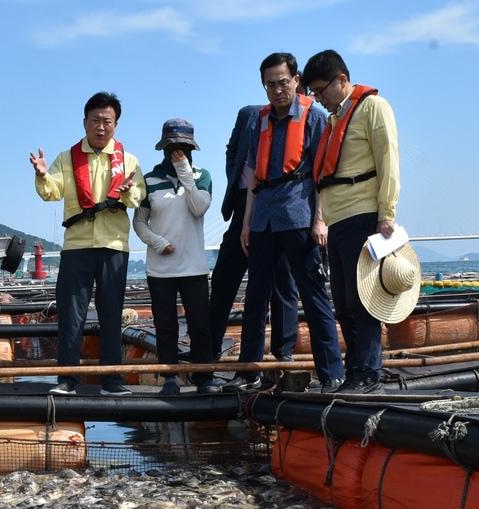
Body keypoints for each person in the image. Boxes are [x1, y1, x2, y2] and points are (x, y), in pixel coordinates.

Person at [229, 52, 344, 394]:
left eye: (282, 82)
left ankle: (331, 374)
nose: (277, 90)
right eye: (269, 84)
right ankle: (248, 372)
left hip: (298, 213)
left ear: (296, 81)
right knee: (255, 297)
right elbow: (252, 176)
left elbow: (324, 172)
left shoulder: (315, 117)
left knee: (313, 296)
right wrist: (247, 223)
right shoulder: (259, 121)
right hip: (263, 216)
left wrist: (320, 220)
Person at [31, 91, 147, 396]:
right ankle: (68, 378)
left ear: (116, 124)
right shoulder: (66, 157)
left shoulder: (129, 160)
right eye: (95, 120)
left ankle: (112, 380)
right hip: (77, 246)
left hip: (113, 245)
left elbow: (138, 198)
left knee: (112, 313)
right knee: (71, 313)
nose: (101, 126)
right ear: (84, 122)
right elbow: (51, 192)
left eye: (107, 121)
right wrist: (43, 175)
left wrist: (126, 192)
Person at [303, 49, 400, 393]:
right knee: (343, 302)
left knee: (364, 299)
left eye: (320, 91)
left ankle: (369, 372)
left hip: (364, 213)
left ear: (342, 81)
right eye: (312, 92)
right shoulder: (332, 121)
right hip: (338, 219)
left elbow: (388, 159)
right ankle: (355, 369)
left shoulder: (373, 108)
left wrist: (386, 214)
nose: (317, 99)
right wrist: (324, 219)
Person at [208, 105, 301, 375]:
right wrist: (237, 179)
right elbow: (232, 150)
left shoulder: (299, 119)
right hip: (243, 204)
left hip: (280, 205)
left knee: (282, 281)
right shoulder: (249, 115)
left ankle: (283, 353)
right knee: (224, 276)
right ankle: (210, 346)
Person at [133, 118, 217, 395]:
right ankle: (169, 377)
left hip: (193, 266)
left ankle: (203, 376)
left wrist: (184, 171)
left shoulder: (202, 175)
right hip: (160, 268)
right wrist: (157, 242)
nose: (178, 151)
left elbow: (198, 208)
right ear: (163, 149)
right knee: (165, 324)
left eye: (183, 147)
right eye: (172, 147)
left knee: (200, 324)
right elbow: (139, 222)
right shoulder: (149, 180)